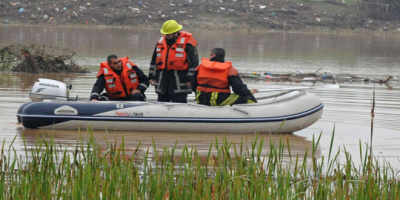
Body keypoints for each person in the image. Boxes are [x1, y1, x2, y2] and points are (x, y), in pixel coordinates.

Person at [148, 19, 199, 103]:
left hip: (179, 81)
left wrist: (190, 79)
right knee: (161, 104)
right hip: (163, 82)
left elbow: (194, 63)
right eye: (165, 34)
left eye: (168, 34)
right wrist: (151, 76)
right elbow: (154, 62)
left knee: (179, 106)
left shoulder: (187, 43)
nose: (166, 36)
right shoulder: (160, 42)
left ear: (176, 32)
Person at [191, 48, 258, 106]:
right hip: (218, 100)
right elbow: (238, 89)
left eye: (209, 55)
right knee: (249, 97)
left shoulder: (200, 67)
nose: (209, 57)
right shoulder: (229, 69)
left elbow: (193, 86)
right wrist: (249, 92)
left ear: (213, 55)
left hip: (200, 99)